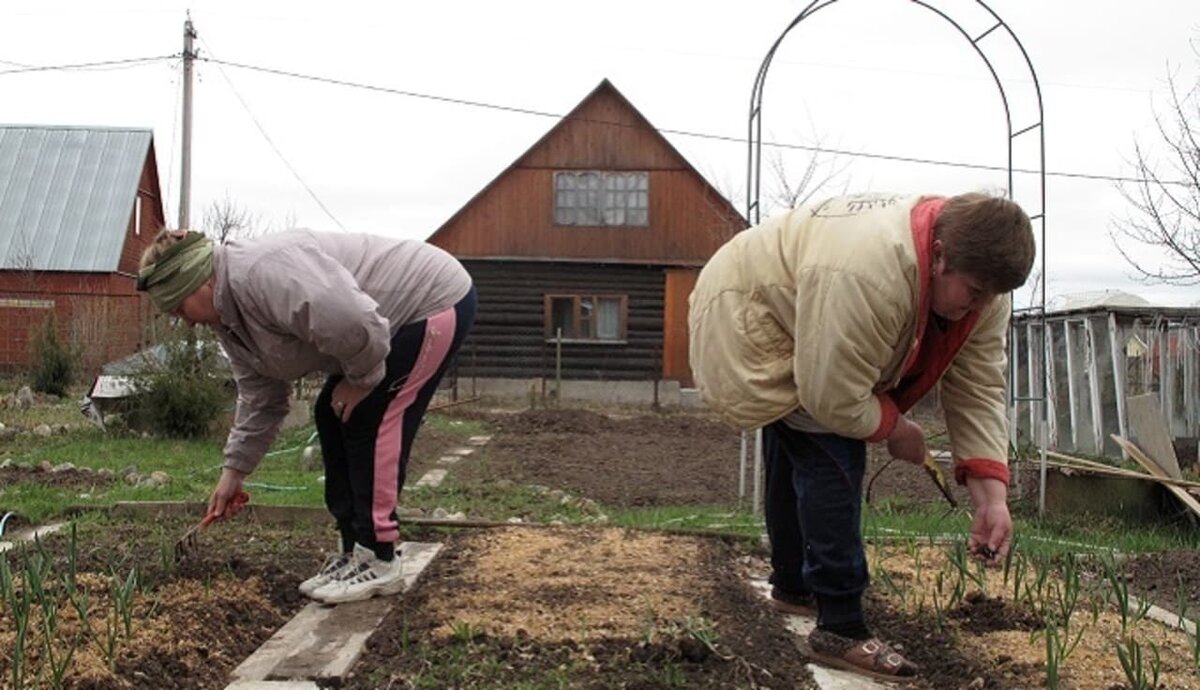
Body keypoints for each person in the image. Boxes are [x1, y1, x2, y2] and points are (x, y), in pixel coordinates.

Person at [688, 192, 1034, 681]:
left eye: (992, 296)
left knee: (800, 449)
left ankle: (793, 584)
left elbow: (977, 386)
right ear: (938, 256)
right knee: (831, 449)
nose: (980, 305)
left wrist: (991, 498)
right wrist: (897, 427)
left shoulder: (983, 290)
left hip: (806, 306)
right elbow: (833, 397)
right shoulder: (869, 272)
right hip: (748, 307)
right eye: (974, 291)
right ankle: (841, 628)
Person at [137, 228, 475, 604]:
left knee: (367, 415)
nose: (184, 322)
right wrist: (233, 473)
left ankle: (380, 557)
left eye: (179, 309)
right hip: (378, 329)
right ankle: (354, 551)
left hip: (427, 302)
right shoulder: (229, 319)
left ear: (197, 282)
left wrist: (361, 381)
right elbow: (261, 397)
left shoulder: (262, 274)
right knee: (331, 414)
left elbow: (354, 322)